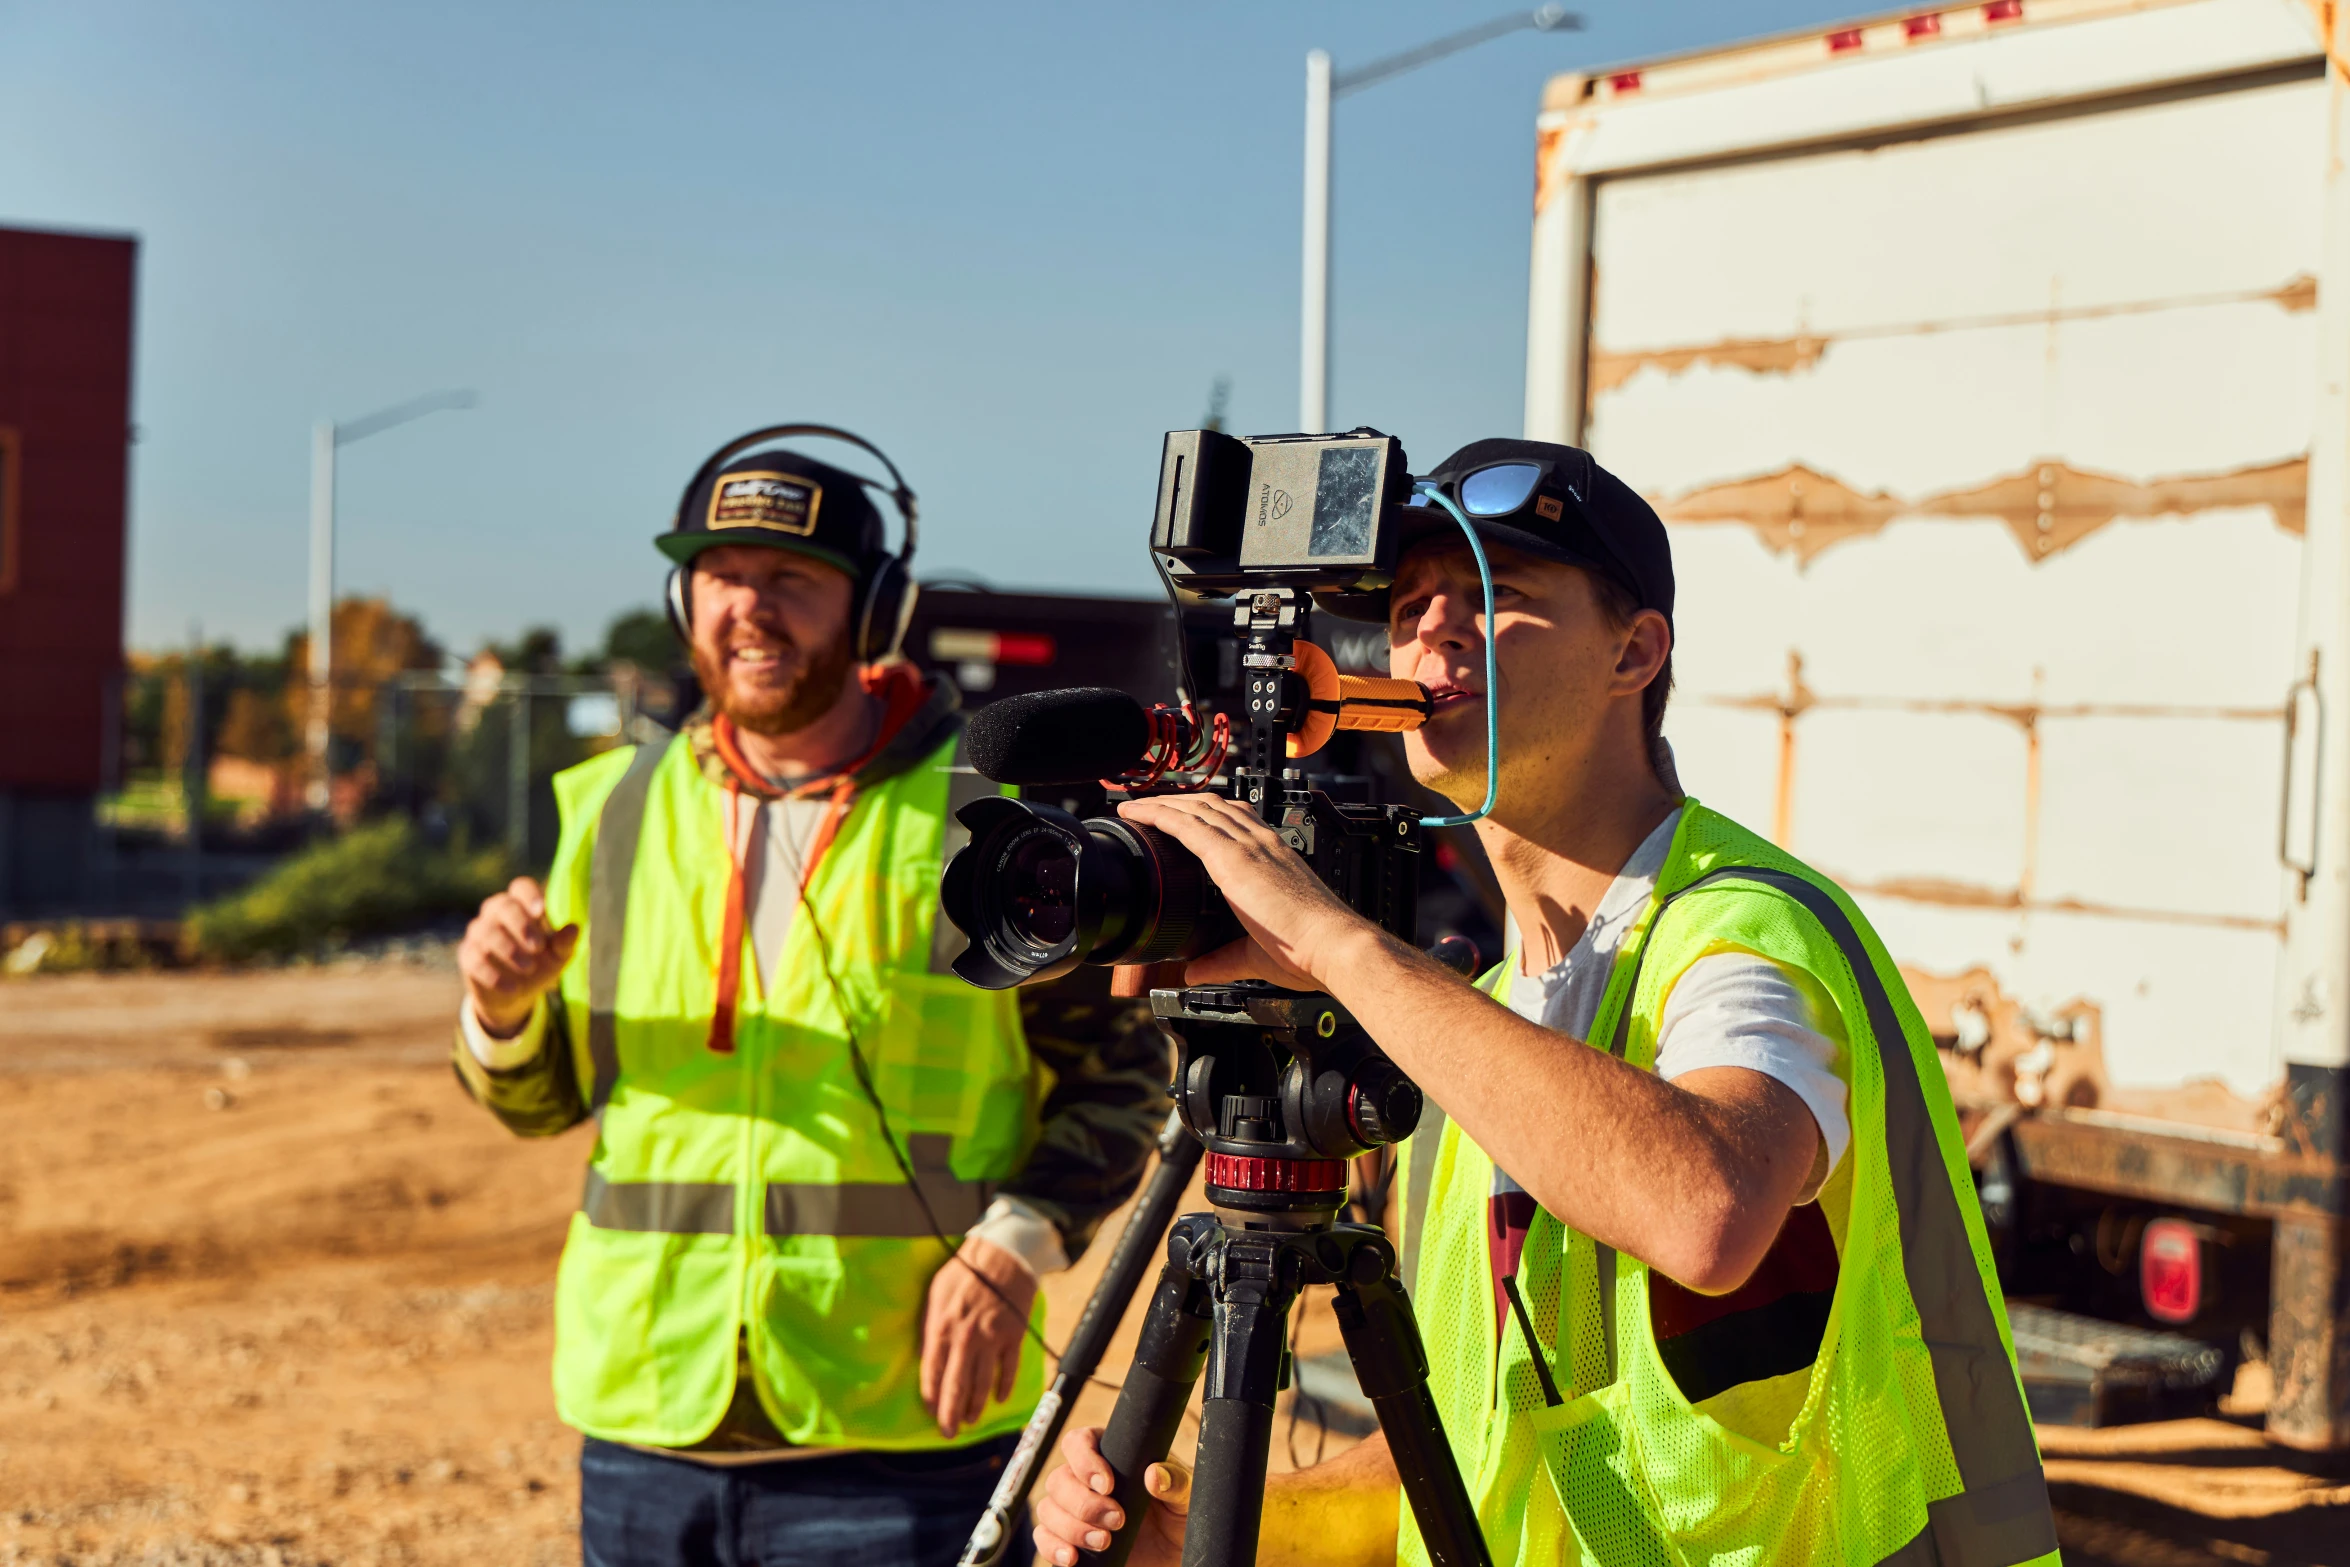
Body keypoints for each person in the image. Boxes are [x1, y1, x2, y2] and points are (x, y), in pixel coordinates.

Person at [1033, 439, 2059, 1567]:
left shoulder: (1740, 929)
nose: (1432, 630)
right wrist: (1200, 1532)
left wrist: (1334, 945)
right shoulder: (1469, 1015)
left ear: (1635, 652)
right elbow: (1469, 1447)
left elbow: (1707, 1208)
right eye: (1413, 603)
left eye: (1497, 596)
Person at [450, 439, 1169, 1567]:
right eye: (724, 573)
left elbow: (1120, 1069)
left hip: (899, 1431)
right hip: (645, 1423)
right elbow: (544, 1104)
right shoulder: (613, 809)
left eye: (792, 579)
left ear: (874, 609)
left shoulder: (991, 820)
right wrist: (500, 1011)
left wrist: (1017, 1242)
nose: (751, 608)